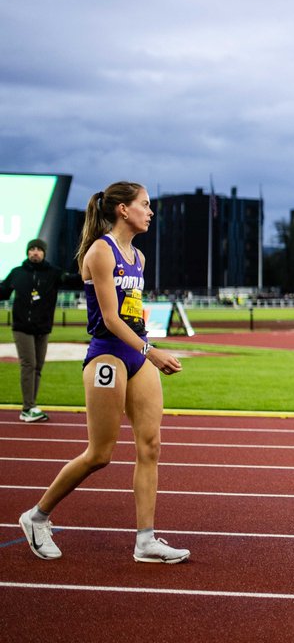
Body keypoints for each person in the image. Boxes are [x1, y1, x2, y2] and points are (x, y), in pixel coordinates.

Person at [17, 182, 189, 563]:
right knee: (100, 454)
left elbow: (132, 310)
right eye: (145, 205)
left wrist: (145, 348)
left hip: (136, 354)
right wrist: (152, 350)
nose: (151, 211)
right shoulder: (100, 250)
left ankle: (145, 540)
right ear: (123, 210)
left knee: (151, 446)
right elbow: (109, 319)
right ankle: (36, 516)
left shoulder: (138, 257)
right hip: (108, 356)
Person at [1, 239, 81, 422]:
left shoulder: (53, 273)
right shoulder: (17, 273)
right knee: (28, 365)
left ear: (44, 252)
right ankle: (27, 408)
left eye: (38, 249)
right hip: (22, 327)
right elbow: (3, 292)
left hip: (43, 328)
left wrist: (89, 267)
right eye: (32, 249)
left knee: (38, 367)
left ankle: (31, 406)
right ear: (27, 252)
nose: (35, 252)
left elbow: (73, 281)